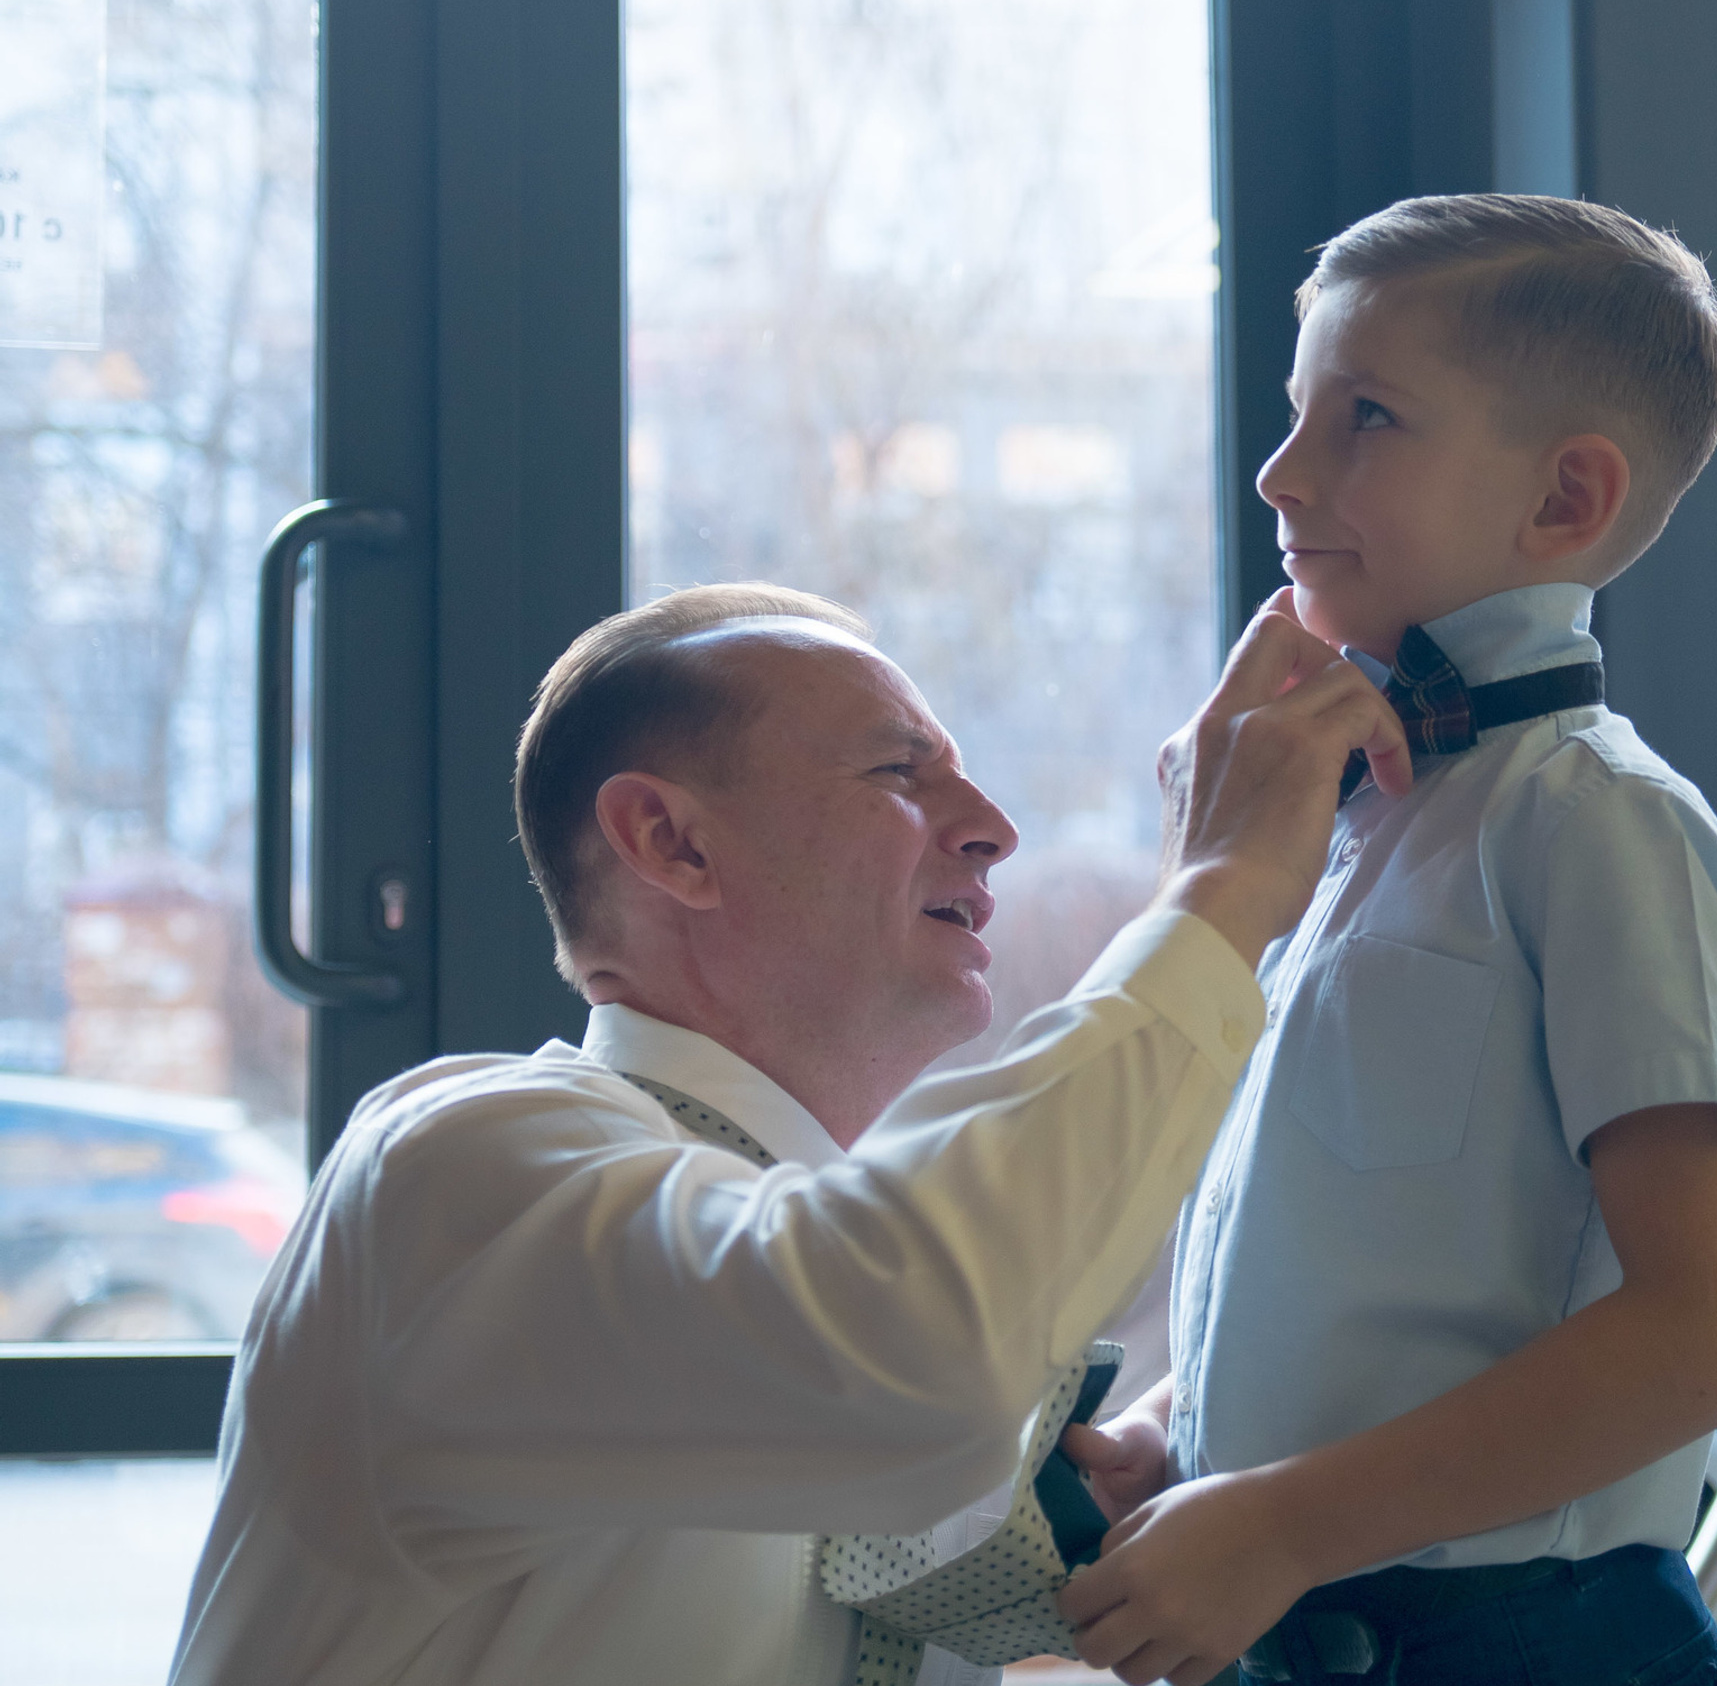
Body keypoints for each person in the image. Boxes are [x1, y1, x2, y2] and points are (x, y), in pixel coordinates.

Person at [167, 579, 1410, 1686]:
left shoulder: (824, 1265)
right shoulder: (449, 1171)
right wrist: (1219, 893)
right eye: (898, 773)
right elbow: (899, 1360)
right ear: (673, 842)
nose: (991, 825)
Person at [1058, 194, 1717, 1686]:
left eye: (1368, 417)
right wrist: (1185, 1436)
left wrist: (1279, 1521)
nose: (1278, 472)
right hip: (1306, 1616)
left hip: (1528, 1645)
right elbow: (1380, 1265)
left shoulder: (1603, 828)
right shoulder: (1340, 827)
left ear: (1564, 505)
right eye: (1294, 413)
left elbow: (1708, 1330)